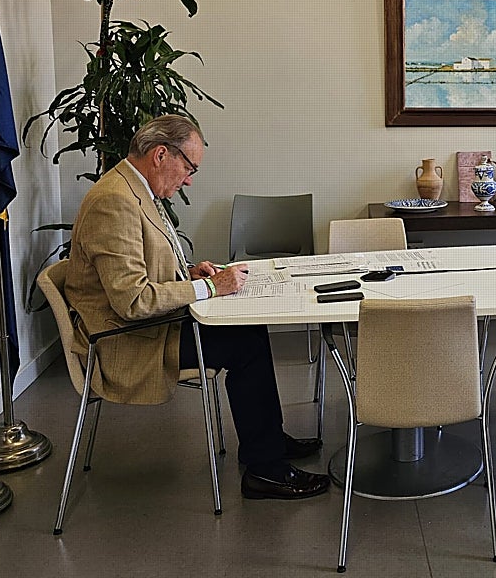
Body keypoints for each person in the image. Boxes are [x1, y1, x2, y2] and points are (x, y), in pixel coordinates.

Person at [64, 115, 329, 500]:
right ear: (160, 155)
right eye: (189, 168)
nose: (188, 180)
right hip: (128, 340)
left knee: (250, 330)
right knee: (246, 345)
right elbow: (133, 301)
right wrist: (209, 287)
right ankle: (266, 470)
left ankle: (266, 442)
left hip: (151, 325)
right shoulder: (114, 201)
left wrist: (189, 273)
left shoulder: (133, 189)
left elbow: (140, 269)